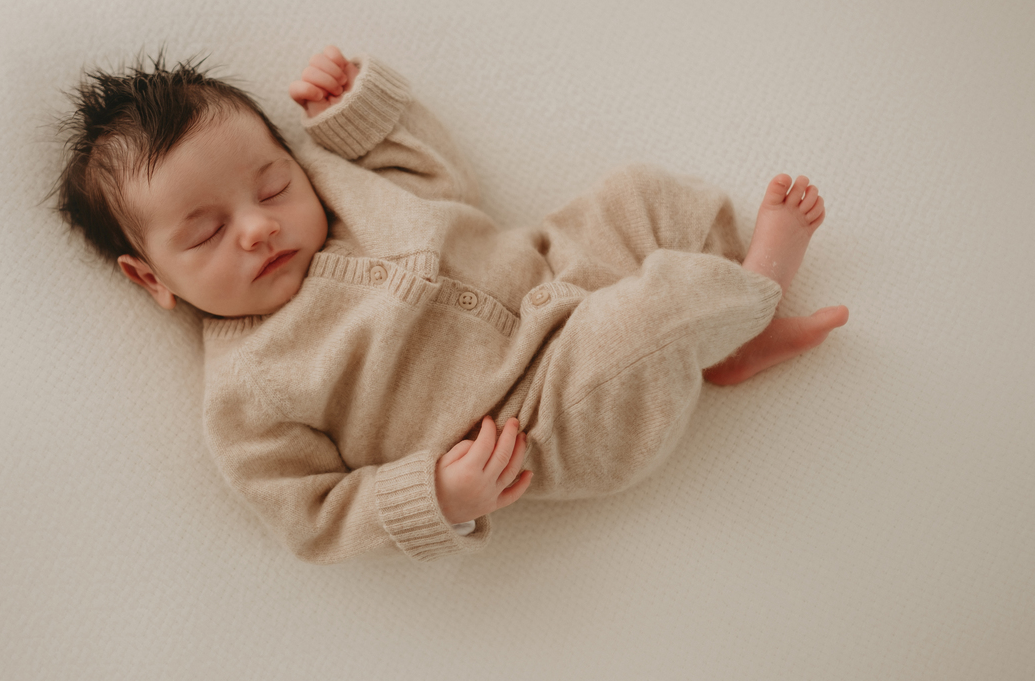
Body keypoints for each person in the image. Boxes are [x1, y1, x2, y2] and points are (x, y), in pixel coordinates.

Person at [56, 46, 848, 564]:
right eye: (206, 232)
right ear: (150, 278)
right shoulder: (250, 391)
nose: (259, 227)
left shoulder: (350, 200)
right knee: (649, 318)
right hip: (545, 412)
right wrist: (434, 497)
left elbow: (440, 182)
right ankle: (758, 289)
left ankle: (730, 342)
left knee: (645, 197)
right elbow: (313, 517)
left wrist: (356, 114)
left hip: (555, 262)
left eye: (271, 186)